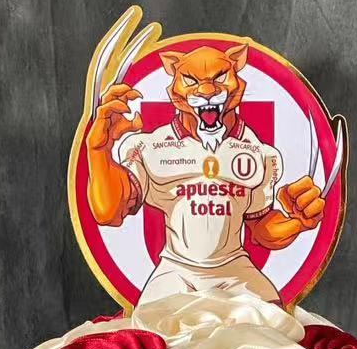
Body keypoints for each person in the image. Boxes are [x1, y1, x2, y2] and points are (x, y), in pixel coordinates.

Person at [84, 41, 325, 307]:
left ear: (238, 70)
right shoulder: (150, 147)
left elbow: (261, 228)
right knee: (151, 326)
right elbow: (109, 213)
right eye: (191, 80)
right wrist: (99, 151)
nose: (208, 91)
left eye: (220, 77)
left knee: (273, 321)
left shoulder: (259, 153)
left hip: (235, 270)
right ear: (173, 81)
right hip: (176, 270)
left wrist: (298, 221)